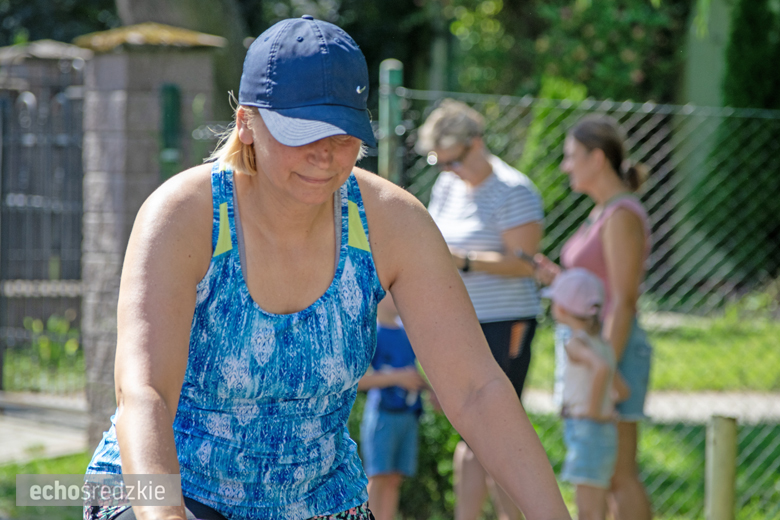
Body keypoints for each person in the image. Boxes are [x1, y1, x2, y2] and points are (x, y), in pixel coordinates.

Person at [83, 16, 571, 520]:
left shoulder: (392, 222)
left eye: (343, 135)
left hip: (318, 498)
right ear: (248, 122)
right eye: (303, 132)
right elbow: (144, 392)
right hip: (173, 487)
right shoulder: (185, 214)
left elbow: (477, 391)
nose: (325, 155)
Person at [418, 99, 544, 520]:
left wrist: (464, 261)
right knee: (469, 435)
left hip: (505, 321)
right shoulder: (447, 186)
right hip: (459, 322)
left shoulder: (514, 189)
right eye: (440, 162)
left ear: (476, 144)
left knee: (498, 434)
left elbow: (525, 263)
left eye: (453, 160)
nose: (448, 170)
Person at [535, 115, 653, 520]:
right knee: (606, 474)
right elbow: (599, 285)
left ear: (596, 158)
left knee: (619, 474)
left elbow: (622, 301)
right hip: (596, 354)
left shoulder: (620, 215)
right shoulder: (602, 211)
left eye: (571, 156)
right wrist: (560, 279)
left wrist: (606, 366)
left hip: (612, 353)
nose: (566, 166)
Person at [543, 268, 629, 520]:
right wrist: (605, 404)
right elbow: (621, 390)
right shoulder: (602, 344)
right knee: (598, 505)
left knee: (587, 510)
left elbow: (601, 369)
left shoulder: (575, 343)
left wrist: (592, 410)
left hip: (586, 427)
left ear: (562, 309)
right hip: (605, 431)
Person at [357, 293, 430, 520]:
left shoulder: (408, 334)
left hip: (409, 416)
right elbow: (359, 381)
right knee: (377, 478)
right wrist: (397, 377)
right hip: (382, 417)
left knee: (394, 480)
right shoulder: (371, 333)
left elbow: (415, 372)